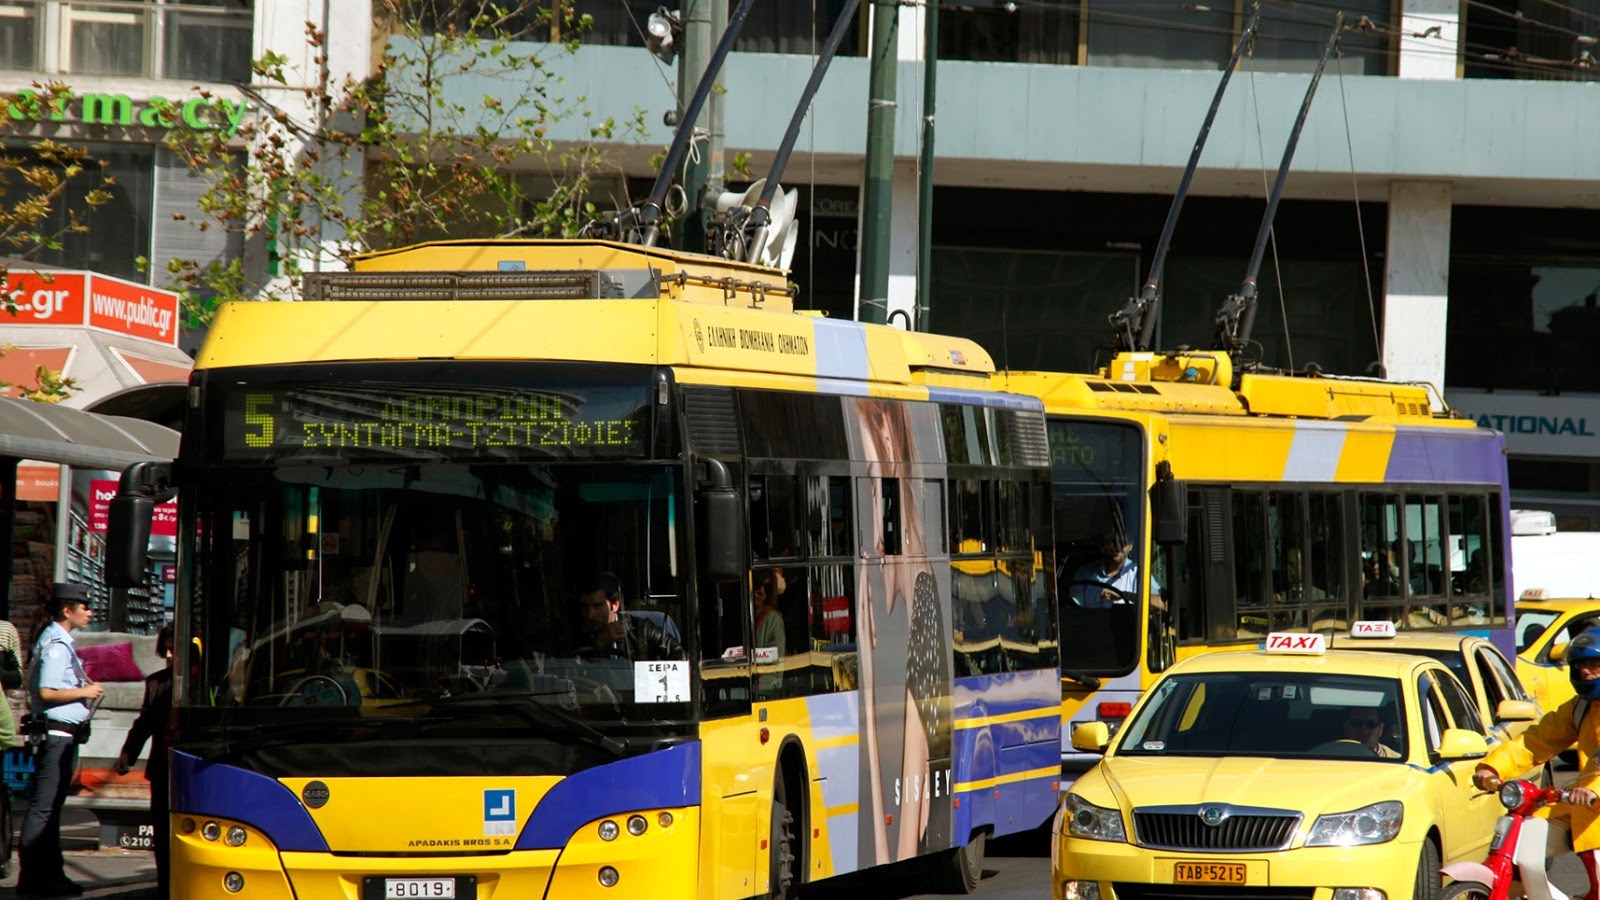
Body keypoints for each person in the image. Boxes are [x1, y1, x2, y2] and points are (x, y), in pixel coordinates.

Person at [1471, 626, 1600, 893]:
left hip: (1591, 803)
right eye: (1580, 666)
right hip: (1586, 806)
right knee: (1523, 835)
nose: (1586, 672)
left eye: (1595, 665)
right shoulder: (1581, 707)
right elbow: (1535, 741)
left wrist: (1591, 792)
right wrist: (1491, 767)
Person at [19, 582, 105, 897]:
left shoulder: (59, 642)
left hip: (61, 736)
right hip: (55, 737)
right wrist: (86, 691)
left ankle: (50, 876)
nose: (90, 612)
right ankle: (33, 878)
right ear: (67, 610)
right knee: (44, 809)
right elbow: (46, 691)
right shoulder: (56, 645)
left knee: (51, 809)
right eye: (85, 607)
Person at [115, 625, 173, 896]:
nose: (171, 654)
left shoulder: (206, 681)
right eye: (167, 648)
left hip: (195, 771)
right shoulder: (157, 682)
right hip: (163, 769)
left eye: (176, 647)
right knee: (162, 834)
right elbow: (145, 723)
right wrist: (128, 753)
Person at [573, 572, 683, 660]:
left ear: (615, 605)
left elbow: (678, 654)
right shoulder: (579, 635)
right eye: (585, 607)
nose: (590, 615)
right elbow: (572, 671)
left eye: (597, 606)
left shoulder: (641, 629)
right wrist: (599, 644)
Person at [1071, 534, 1166, 610]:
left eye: (1122, 541)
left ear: (1131, 545)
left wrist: (1125, 595)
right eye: (1112, 541)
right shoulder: (1085, 573)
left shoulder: (1139, 573)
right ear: (1103, 546)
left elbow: (1163, 604)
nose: (1117, 546)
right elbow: (1074, 611)